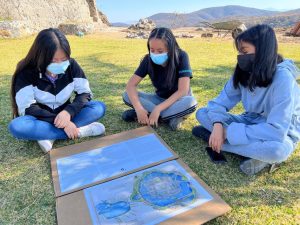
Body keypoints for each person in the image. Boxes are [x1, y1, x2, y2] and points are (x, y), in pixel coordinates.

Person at [192, 24, 300, 175]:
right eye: (239, 52)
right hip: (250, 121)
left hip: (281, 132)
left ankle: (220, 143)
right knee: (202, 113)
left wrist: (227, 132)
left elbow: (276, 130)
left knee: (277, 151)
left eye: (244, 51)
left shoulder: (283, 78)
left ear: (263, 50)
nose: (240, 57)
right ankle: (251, 153)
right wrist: (217, 125)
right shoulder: (244, 72)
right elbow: (219, 103)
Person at [8, 28, 106, 153]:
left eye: (64, 59)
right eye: (53, 60)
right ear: (41, 56)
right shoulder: (26, 72)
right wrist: (63, 123)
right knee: (17, 126)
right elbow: (28, 108)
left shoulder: (72, 66)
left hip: (68, 114)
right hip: (40, 118)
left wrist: (68, 113)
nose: (60, 64)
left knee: (98, 107)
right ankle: (81, 131)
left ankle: (48, 136)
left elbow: (85, 93)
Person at [122, 27, 197, 130]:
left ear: (170, 48)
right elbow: (131, 85)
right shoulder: (147, 60)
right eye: (152, 50)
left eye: (160, 51)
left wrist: (157, 109)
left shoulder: (181, 56)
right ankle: (168, 118)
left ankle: (153, 115)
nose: (155, 54)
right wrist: (139, 108)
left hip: (179, 101)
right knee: (127, 95)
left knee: (191, 102)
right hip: (158, 99)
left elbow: (183, 91)